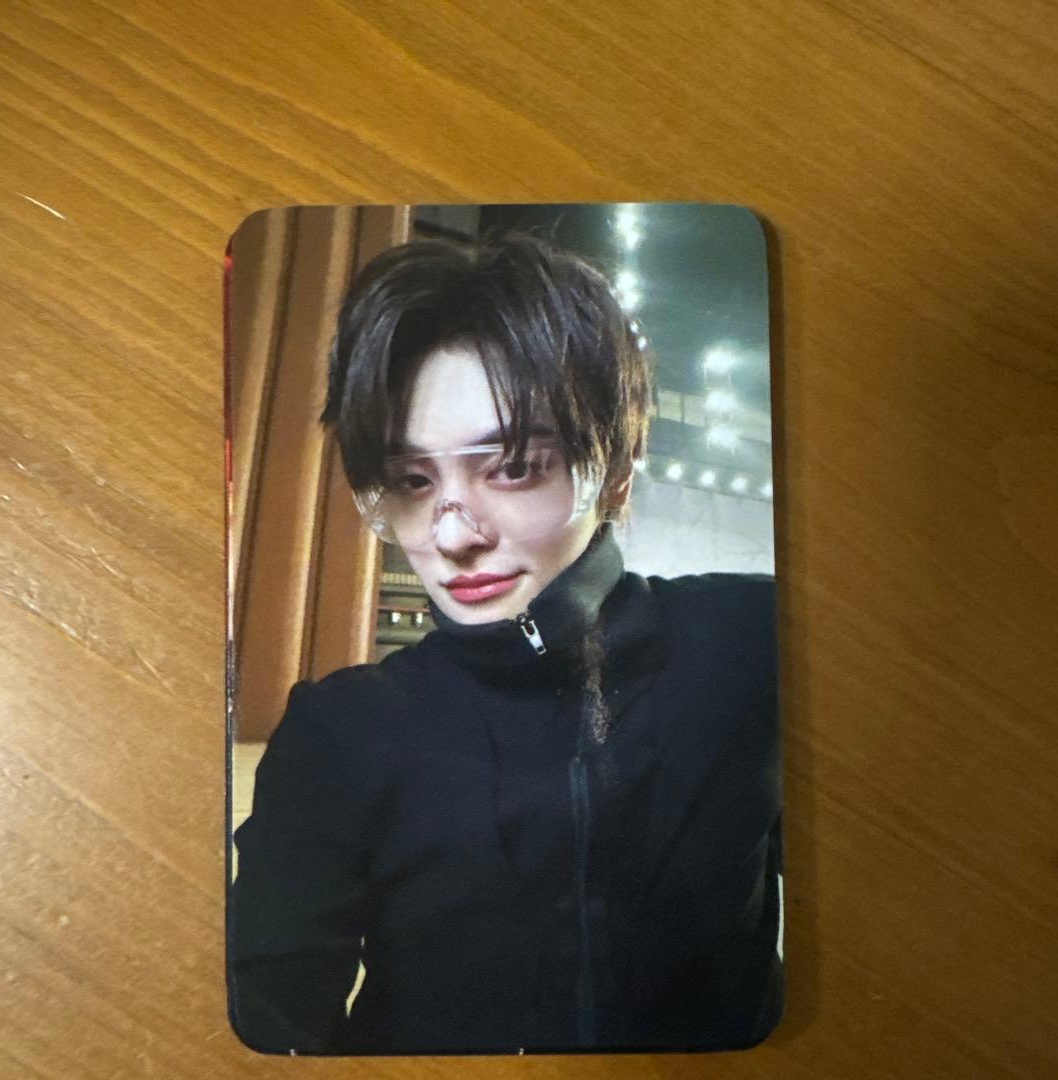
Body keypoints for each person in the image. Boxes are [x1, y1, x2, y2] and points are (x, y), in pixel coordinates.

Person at [229, 232, 783, 1055]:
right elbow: (268, 1022)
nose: (452, 536)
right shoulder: (343, 731)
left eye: (514, 466)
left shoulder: (749, 650)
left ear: (616, 469)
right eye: (412, 481)